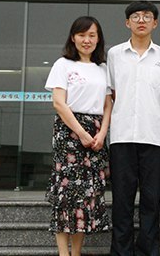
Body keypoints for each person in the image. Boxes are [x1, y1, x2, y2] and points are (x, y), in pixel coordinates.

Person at [106, 1, 160, 256]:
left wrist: (152, 113)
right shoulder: (115, 54)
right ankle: (121, 251)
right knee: (122, 200)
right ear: (127, 22)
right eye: (136, 16)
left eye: (147, 16)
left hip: (153, 136)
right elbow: (111, 93)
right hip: (122, 136)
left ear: (155, 23)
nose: (141, 20)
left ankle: (148, 250)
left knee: (151, 199)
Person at [45, 16, 112, 256]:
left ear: (98, 39)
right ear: (73, 38)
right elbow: (59, 103)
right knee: (66, 195)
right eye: (82, 35)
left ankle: (77, 252)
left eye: (92, 35)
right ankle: (64, 253)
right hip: (69, 132)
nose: (87, 40)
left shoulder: (103, 68)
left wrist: (102, 133)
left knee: (86, 196)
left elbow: (108, 104)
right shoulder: (63, 64)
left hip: (96, 134)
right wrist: (82, 133)